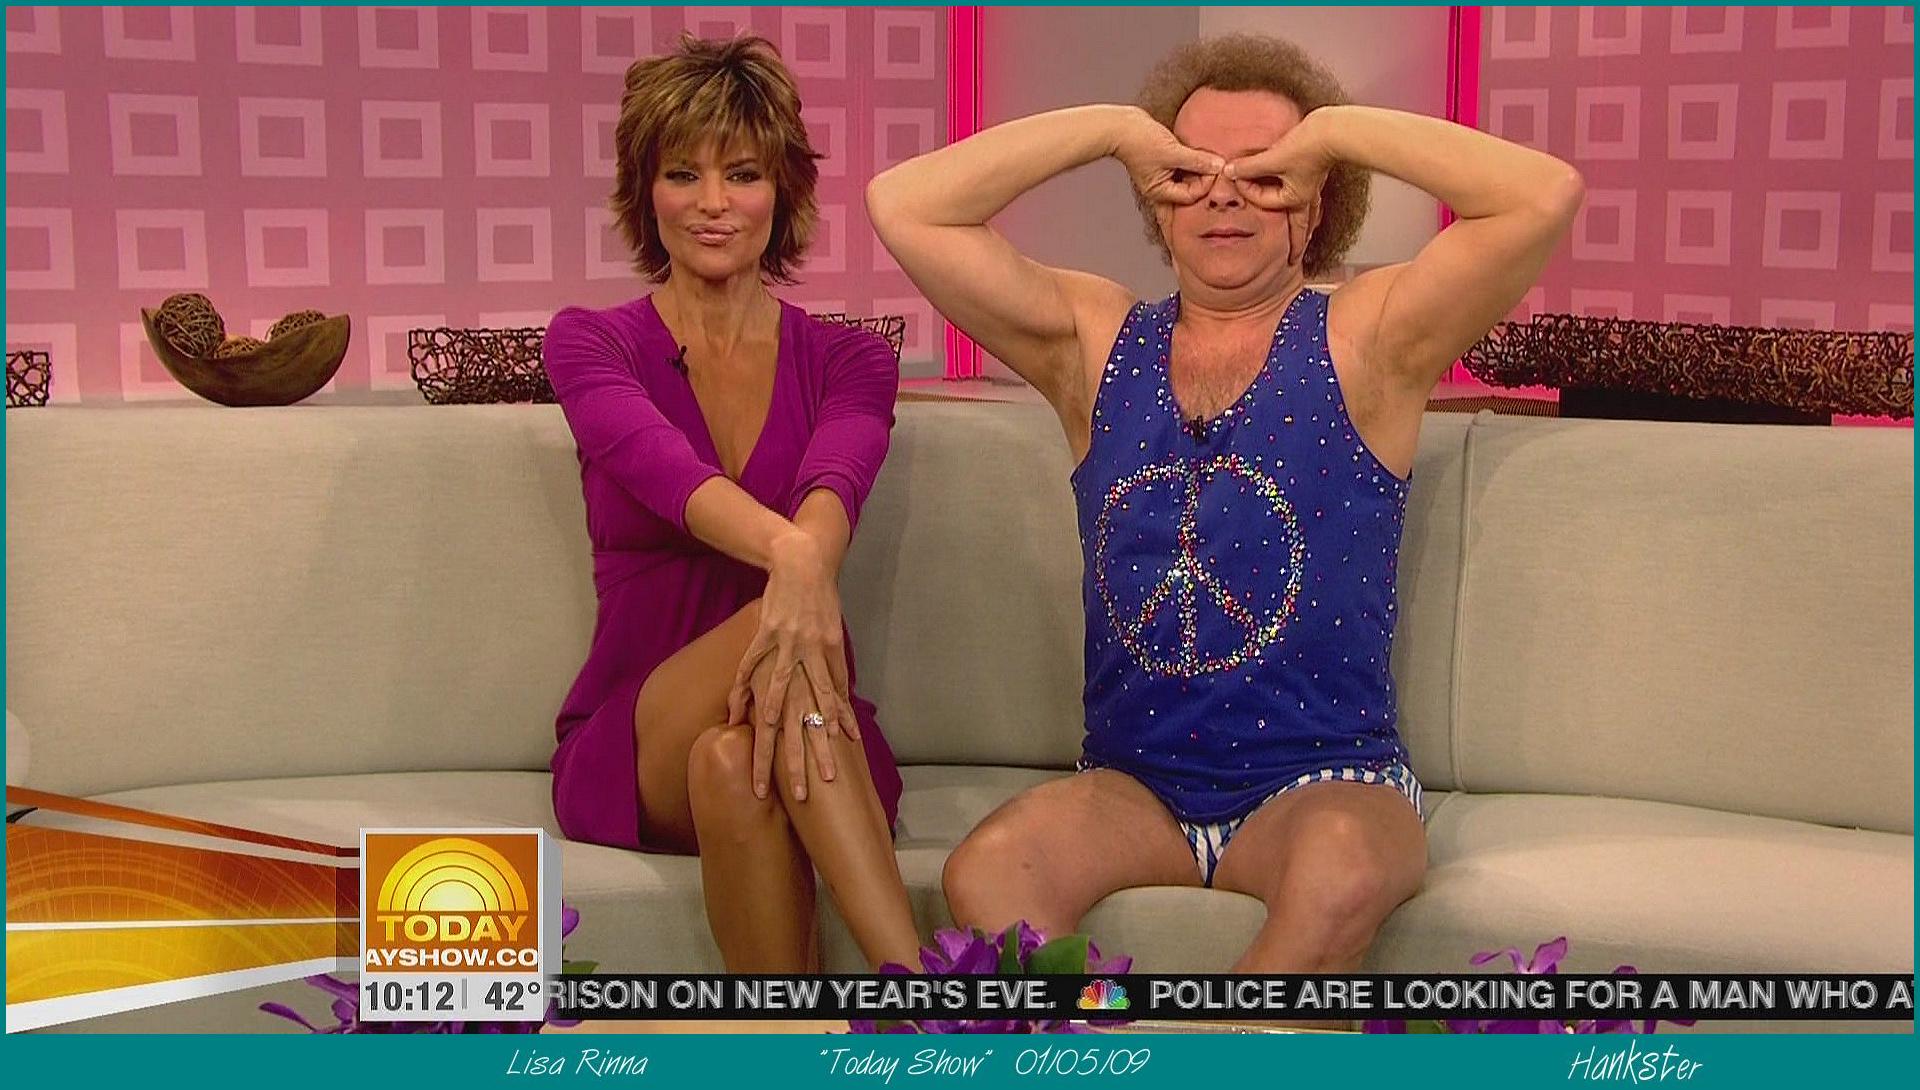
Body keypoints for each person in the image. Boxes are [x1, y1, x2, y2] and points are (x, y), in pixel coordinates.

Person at [867, 33, 1582, 973]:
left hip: (1326, 780)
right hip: (1133, 787)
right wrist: (1115, 129)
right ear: (1156, 199)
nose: (1225, 195)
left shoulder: (1369, 336)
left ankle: (1218, 1043)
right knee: (989, 873)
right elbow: (905, 206)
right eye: (1191, 171)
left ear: (1314, 204)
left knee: (1341, 871)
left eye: (1265, 174)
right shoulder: (1094, 340)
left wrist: (1335, 133)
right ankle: (1107, 1038)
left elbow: (1542, 195)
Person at [544, 35, 920, 973]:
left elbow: (837, 484)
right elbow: (663, 470)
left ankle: (807, 1029)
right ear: (647, 192)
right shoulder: (590, 344)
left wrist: (805, 557)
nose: (713, 202)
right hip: (640, 729)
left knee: (732, 763)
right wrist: (793, 562)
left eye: (742, 174)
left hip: (806, 717)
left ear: (782, 191)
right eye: (684, 174)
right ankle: (928, 992)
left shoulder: (851, 360)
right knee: (769, 631)